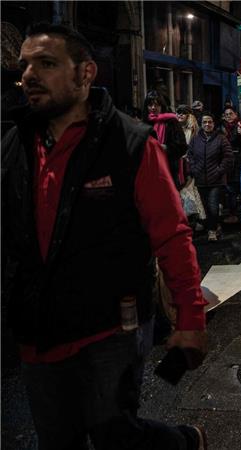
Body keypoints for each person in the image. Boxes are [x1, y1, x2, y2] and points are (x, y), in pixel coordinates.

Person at [2, 23, 208, 449]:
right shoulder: (12, 144)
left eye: (46, 63)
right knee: (57, 440)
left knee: (115, 433)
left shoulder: (130, 143)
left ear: (86, 73)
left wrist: (190, 320)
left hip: (111, 325)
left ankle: (183, 442)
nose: (27, 76)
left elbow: (171, 235)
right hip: (38, 330)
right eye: (24, 65)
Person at [187, 113, 234, 241]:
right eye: (204, 122)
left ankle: (212, 231)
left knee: (213, 205)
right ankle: (214, 226)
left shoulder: (221, 138)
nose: (207, 125)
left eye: (210, 122)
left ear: (214, 123)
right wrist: (194, 169)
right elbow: (190, 155)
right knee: (205, 207)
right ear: (201, 124)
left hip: (216, 179)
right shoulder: (196, 139)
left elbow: (228, 156)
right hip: (201, 179)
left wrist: (219, 170)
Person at [143, 90, 187, 189]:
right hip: (149, 171)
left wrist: (165, 148)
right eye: (150, 105)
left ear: (162, 106)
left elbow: (182, 146)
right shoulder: (144, 123)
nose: (153, 108)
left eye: (157, 105)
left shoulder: (171, 122)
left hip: (169, 170)